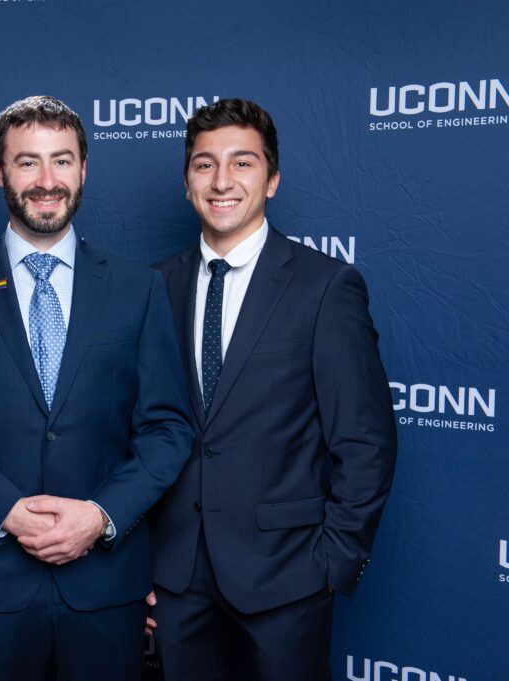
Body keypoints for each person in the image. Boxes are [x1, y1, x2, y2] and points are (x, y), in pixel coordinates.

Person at [0, 95, 193, 680]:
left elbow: (168, 429)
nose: (47, 181)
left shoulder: (138, 289)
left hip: (106, 582)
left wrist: (100, 515)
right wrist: (4, 510)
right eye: (28, 162)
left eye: (62, 160)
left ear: (83, 169)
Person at [148, 98, 398, 680]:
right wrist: (143, 566)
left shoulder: (325, 287)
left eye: (243, 163)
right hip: (178, 581)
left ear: (273, 179)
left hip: (289, 579)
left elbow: (366, 442)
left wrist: (330, 565)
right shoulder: (154, 287)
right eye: (205, 164)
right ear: (187, 182)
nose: (222, 181)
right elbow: (140, 433)